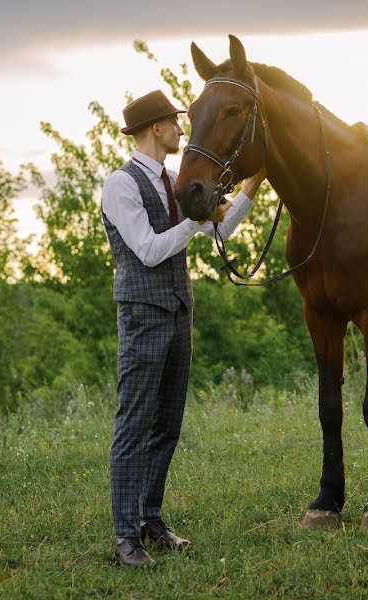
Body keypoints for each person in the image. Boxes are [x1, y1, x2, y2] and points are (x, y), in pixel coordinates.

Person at [101, 90, 265, 566]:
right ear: (157, 129)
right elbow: (149, 250)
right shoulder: (121, 184)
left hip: (178, 310)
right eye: (176, 123)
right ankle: (124, 536)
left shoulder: (174, 180)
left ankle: (151, 519)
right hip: (143, 313)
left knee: (167, 423)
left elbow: (220, 230)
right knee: (135, 422)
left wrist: (252, 186)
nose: (181, 130)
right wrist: (197, 219)